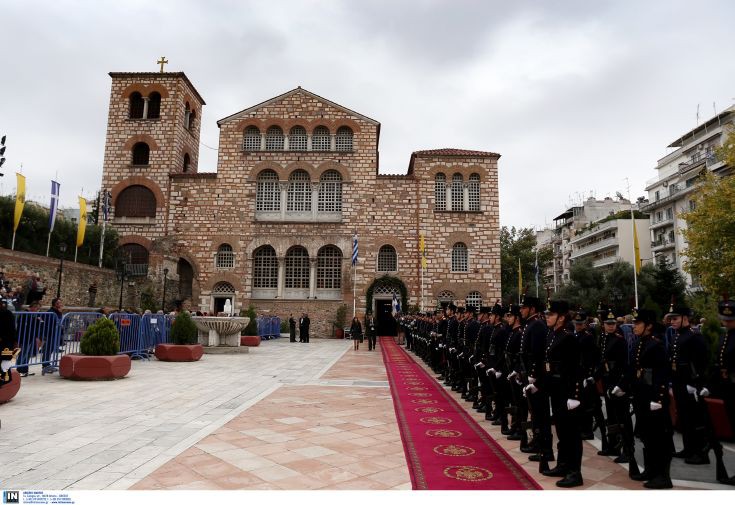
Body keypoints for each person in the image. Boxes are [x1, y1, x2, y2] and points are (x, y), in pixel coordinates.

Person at [538, 299, 584, 488]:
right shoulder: (553, 334)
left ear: (561, 317)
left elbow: (576, 368)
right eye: (547, 314)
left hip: (567, 392)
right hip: (556, 390)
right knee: (562, 431)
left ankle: (575, 472)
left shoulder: (568, 337)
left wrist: (574, 395)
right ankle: (563, 464)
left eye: (551, 314)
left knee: (571, 433)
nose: (547, 317)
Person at [629, 308, 673, 489]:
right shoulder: (641, 342)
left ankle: (663, 476)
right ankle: (650, 470)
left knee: (658, 438)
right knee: (646, 435)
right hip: (642, 396)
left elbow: (662, 373)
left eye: (637, 323)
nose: (634, 326)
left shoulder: (656, 345)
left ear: (648, 326)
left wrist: (659, 398)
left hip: (654, 398)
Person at [666, 301, 709, 464]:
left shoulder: (694, 336)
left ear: (685, 318)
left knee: (695, 419)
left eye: (675, 318)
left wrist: (696, 383)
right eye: (671, 319)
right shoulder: (678, 335)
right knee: (684, 417)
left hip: (690, 383)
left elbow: (702, 361)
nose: (672, 321)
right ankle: (688, 448)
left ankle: (700, 452)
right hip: (679, 382)